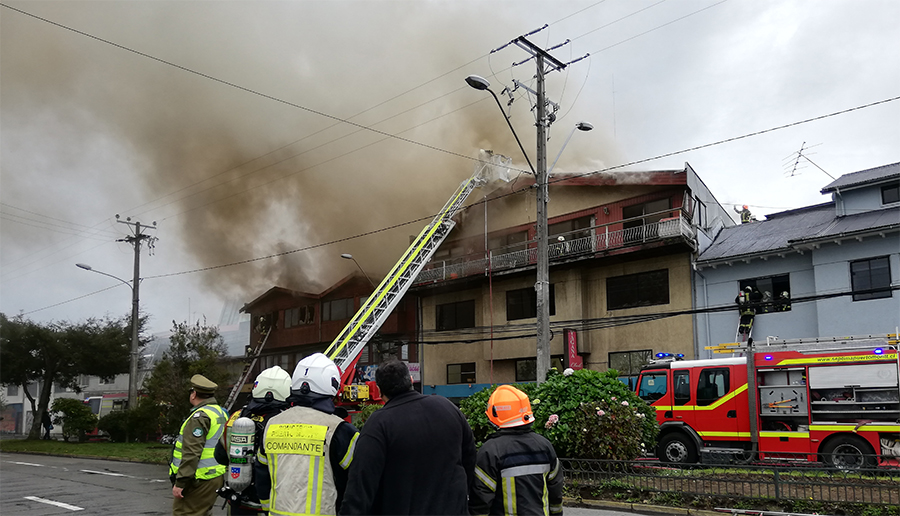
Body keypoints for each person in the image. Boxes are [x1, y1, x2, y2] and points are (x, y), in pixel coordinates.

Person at [341, 359, 476, 515]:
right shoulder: (448, 407)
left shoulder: (378, 424)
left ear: (379, 391)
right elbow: (470, 456)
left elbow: (361, 484)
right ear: (411, 380)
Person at [255, 353, 359, 515]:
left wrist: (267, 507)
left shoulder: (272, 424)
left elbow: (262, 474)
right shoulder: (339, 429)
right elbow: (358, 479)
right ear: (332, 384)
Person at [469, 385, 563, 516]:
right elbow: (556, 492)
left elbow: (480, 500)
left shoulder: (490, 451)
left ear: (496, 414)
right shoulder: (544, 446)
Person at [216, 366, 292, 515]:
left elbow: (220, 456)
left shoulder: (237, 417)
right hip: (271, 502)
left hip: (239, 499)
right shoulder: (288, 421)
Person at [170, 374, 229, 516]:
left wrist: (181, 482)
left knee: (185, 513)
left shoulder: (200, 417)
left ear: (194, 394)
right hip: (215, 477)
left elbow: (192, 453)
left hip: (198, 479)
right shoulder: (221, 413)